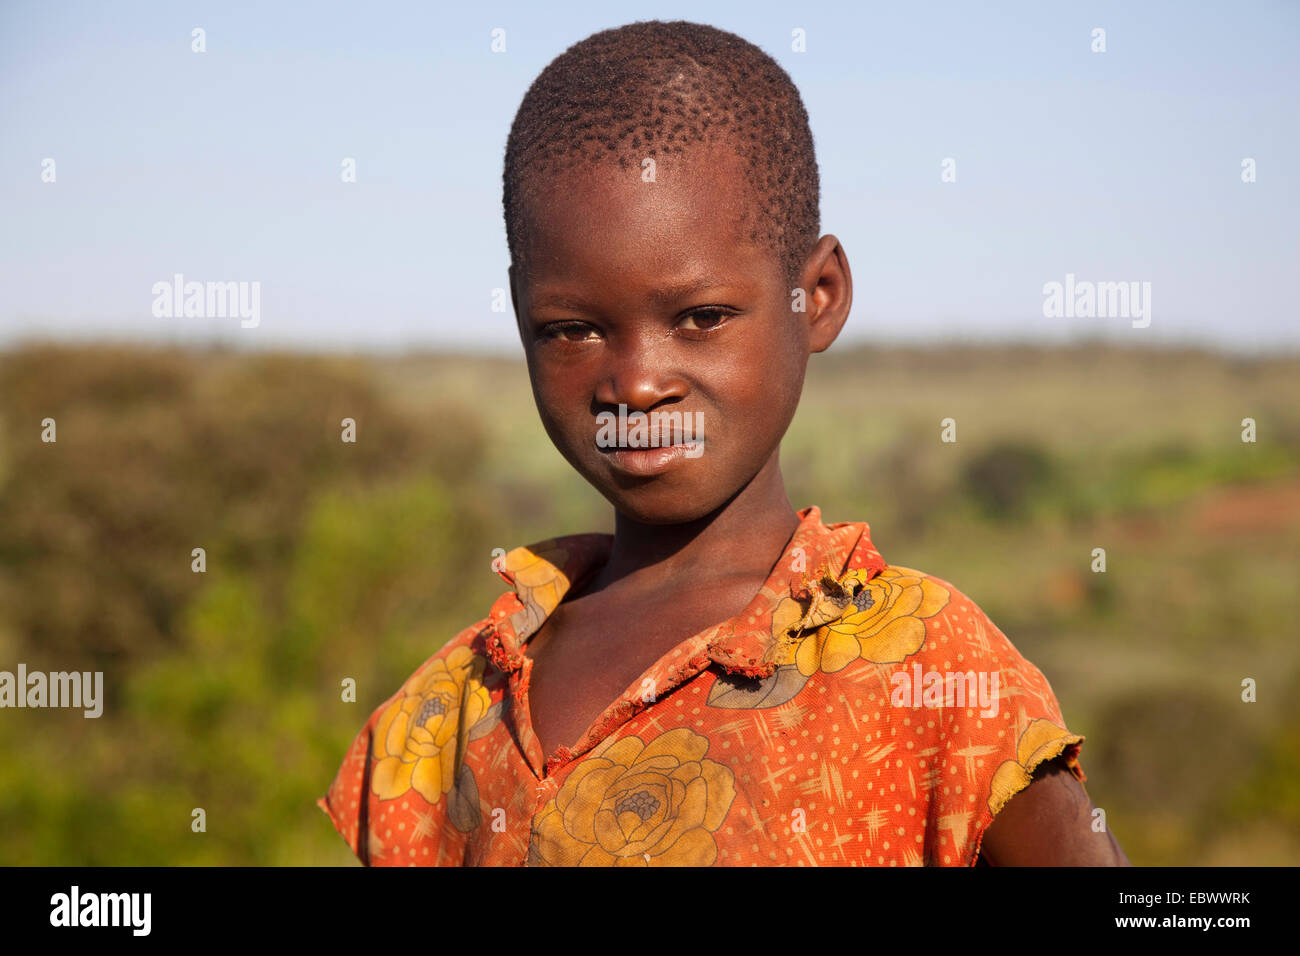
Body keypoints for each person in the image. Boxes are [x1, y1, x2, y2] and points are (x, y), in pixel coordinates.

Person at [318, 19, 1129, 867]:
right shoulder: (462, 695)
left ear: (816, 295)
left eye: (700, 318)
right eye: (572, 330)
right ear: (520, 315)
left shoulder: (924, 665)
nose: (636, 383)